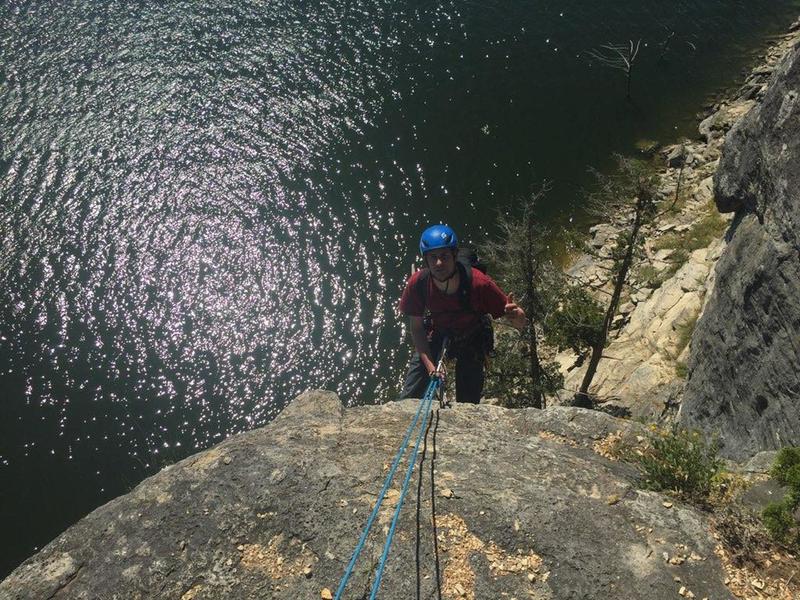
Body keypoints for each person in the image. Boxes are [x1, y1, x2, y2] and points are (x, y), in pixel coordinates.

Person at [398, 224, 527, 404]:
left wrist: (517, 315)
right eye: (433, 257)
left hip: (472, 337)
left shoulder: (479, 284)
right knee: (410, 395)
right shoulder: (418, 284)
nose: (438, 263)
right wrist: (430, 368)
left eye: (444, 256)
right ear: (425, 260)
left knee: (467, 402)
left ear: (455, 255)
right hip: (438, 331)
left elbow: (520, 323)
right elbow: (417, 329)